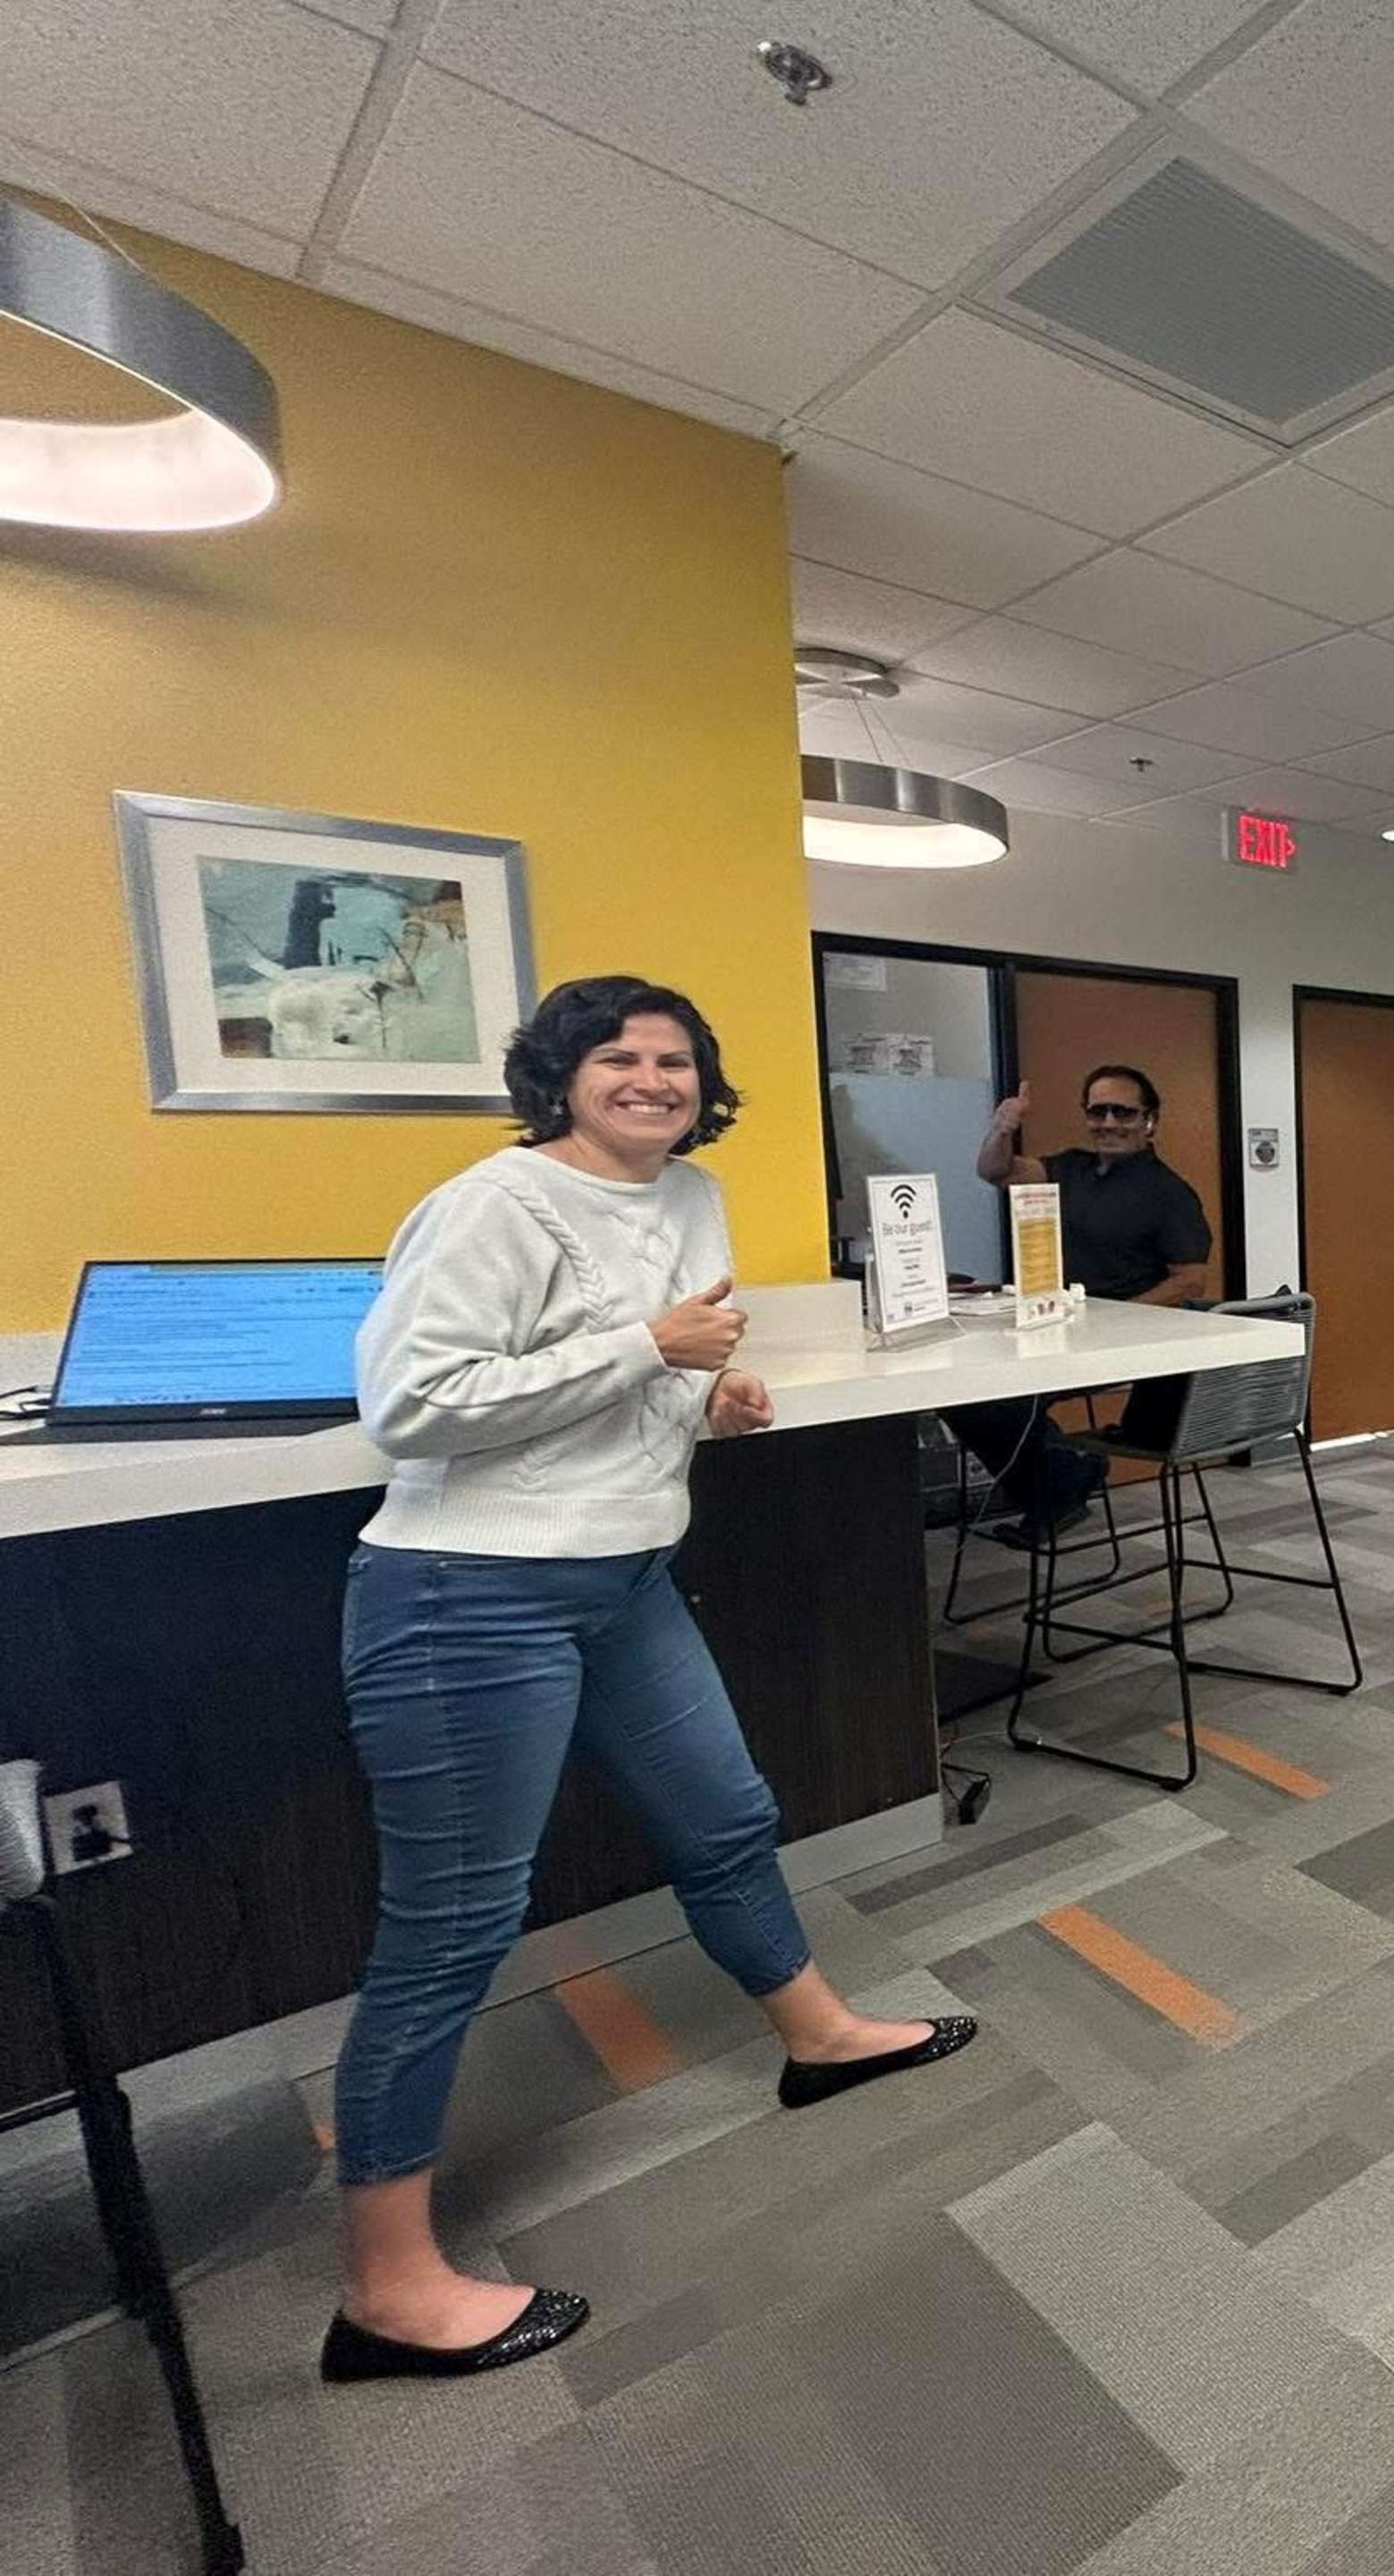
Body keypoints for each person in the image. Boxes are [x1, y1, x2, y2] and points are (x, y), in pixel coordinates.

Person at [325, 976, 976, 2383]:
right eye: (617, 1057)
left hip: (623, 1574)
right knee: (452, 1926)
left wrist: (701, 1394)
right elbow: (410, 1403)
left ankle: (819, 2036)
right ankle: (386, 2287)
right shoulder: (491, 1205)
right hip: (466, 1592)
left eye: (675, 1059)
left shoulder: (690, 1198)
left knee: (725, 1815)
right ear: (560, 1077)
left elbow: (648, 1369)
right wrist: (650, 1352)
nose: (650, 1079)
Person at [942, 1063, 1213, 1545]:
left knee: (1001, 1397)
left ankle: (1059, 1484)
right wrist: (1002, 1128)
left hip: (1119, 1342)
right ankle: (1064, 1477)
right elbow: (995, 1171)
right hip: (1056, 1328)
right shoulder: (1068, 1169)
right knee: (961, 1392)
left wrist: (1120, 1316)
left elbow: (1190, 1280)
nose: (1108, 1123)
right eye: (1098, 1111)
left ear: (1149, 1120)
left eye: (1122, 1112)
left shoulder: (1169, 1193)